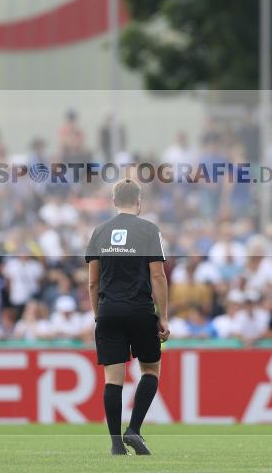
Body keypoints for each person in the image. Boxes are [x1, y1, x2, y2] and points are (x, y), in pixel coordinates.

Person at [85, 179, 169, 456]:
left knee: (113, 379)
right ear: (139, 200)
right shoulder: (149, 230)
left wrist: (99, 315)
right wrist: (164, 316)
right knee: (150, 370)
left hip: (109, 311)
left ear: (113, 200)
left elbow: (92, 283)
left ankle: (115, 445)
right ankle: (133, 429)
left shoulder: (99, 231)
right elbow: (157, 275)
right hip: (140, 310)